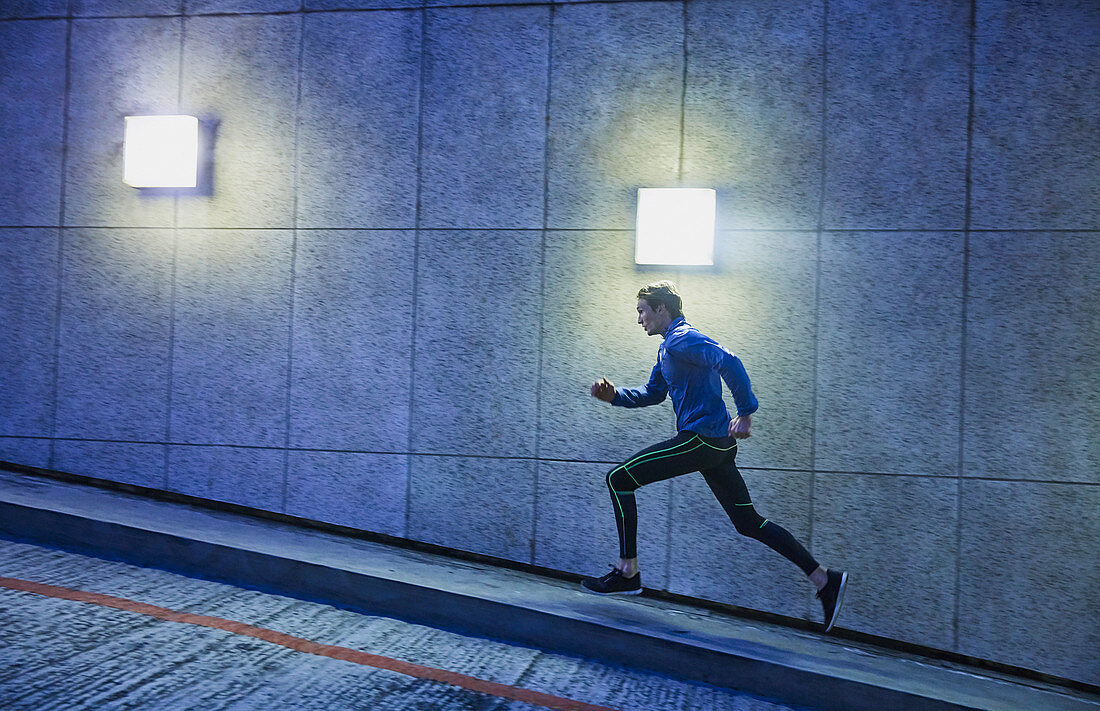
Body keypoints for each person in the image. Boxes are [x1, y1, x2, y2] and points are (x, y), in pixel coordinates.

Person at [583, 281, 847, 632]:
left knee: (619, 479)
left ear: (663, 309)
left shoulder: (682, 338)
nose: (639, 319)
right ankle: (823, 579)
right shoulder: (667, 349)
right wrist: (614, 396)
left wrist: (746, 412)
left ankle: (627, 571)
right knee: (748, 522)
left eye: (642, 311)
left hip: (701, 440)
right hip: (715, 447)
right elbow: (653, 394)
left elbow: (728, 360)